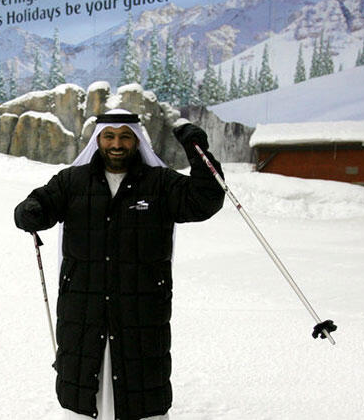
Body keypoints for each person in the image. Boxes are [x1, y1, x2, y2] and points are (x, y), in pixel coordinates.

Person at [14, 109, 225, 420]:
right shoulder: (72, 182)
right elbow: (39, 205)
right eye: (109, 136)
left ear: (136, 140)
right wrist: (28, 211)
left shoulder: (160, 184)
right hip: (83, 311)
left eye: (125, 136)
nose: (117, 143)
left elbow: (205, 199)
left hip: (140, 312)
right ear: (98, 140)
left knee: (142, 396)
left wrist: (197, 150)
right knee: (82, 396)